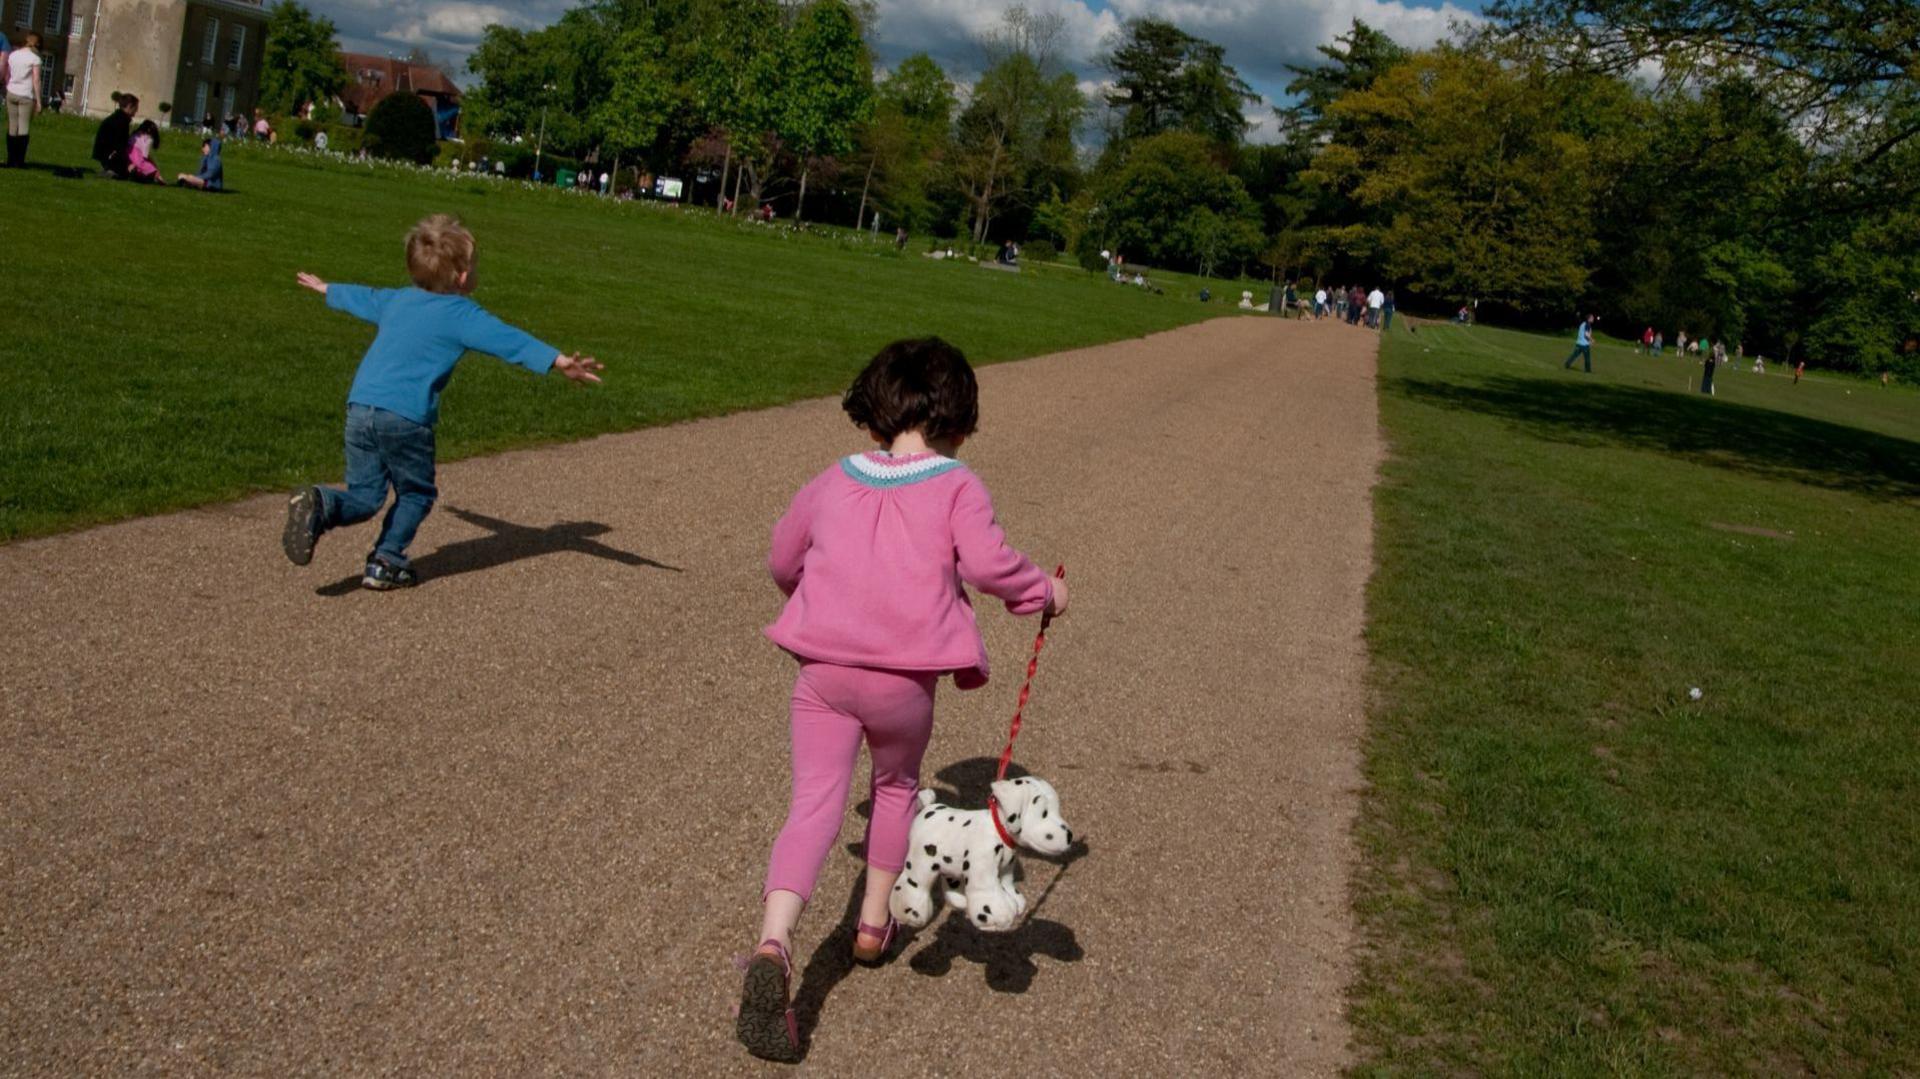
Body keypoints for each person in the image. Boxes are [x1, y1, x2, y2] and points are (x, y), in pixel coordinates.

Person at [736, 337, 1066, 1063]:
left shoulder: (832, 478)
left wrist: (820, 599)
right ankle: (872, 923)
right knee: (896, 788)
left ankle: (775, 940)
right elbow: (987, 564)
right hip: (901, 683)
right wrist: (1045, 590)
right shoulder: (956, 484)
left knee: (814, 803)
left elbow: (782, 558)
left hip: (822, 671)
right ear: (960, 418)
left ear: (877, 408)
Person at [280, 215, 604, 590]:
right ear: (462, 276)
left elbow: (365, 297)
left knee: (365, 496)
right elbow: (509, 340)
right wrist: (560, 361)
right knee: (416, 492)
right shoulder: (462, 315)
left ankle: (322, 503)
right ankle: (386, 559)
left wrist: (327, 288)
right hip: (405, 418)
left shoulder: (398, 300)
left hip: (360, 407)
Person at [6, 31, 43, 168]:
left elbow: (9, 74)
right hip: (25, 94)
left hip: (11, 92)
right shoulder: (35, 59)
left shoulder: (13, 55)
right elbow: (36, 80)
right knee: (23, 128)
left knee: (12, 127)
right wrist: (39, 101)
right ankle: (19, 161)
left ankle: (10, 160)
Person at [91, 94, 138, 177]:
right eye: (135, 109)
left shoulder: (116, 118)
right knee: (135, 173)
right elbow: (121, 145)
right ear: (130, 106)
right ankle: (112, 171)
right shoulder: (122, 121)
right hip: (110, 157)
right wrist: (128, 163)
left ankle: (111, 169)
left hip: (104, 155)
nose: (136, 112)